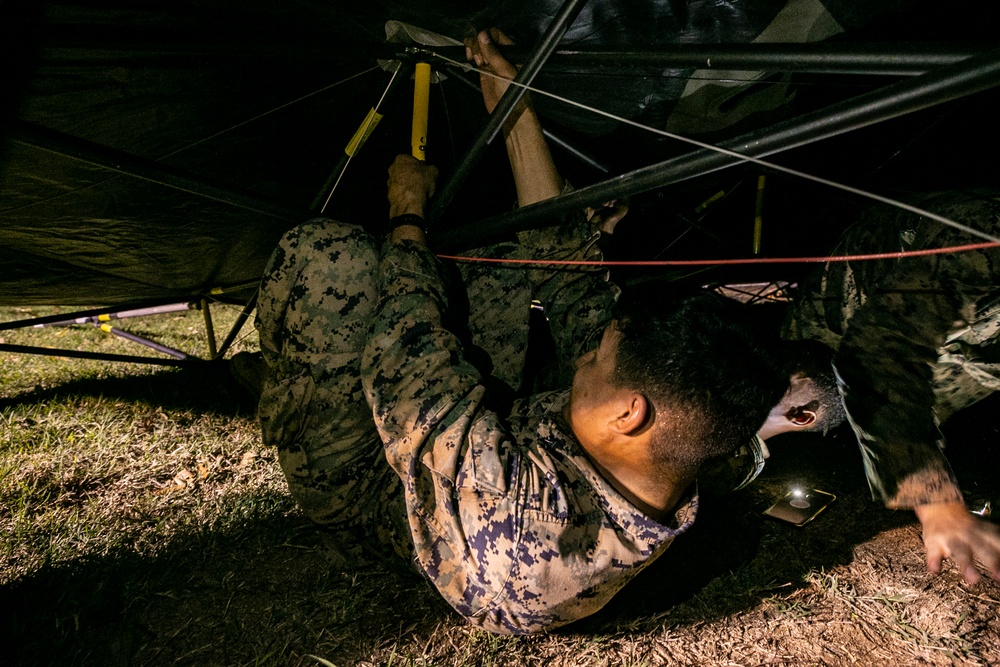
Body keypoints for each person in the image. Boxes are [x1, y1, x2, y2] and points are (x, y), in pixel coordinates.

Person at [247, 30, 788, 634]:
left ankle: (292, 397)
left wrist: (408, 212)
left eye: (597, 363)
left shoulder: (512, 521)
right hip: (493, 430)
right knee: (494, 271)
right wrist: (512, 102)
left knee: (330, 257)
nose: (581, 363)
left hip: (371, 482)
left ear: (629, 415)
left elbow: (404, 354)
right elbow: (571, 279)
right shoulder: (675, 443)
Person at [783, 190, 1000, 584]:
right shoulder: (984, 236)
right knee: (795, 408)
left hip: (968, 346)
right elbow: (878, 352)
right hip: (848, 320)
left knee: (918, 410)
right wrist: (937, 504)